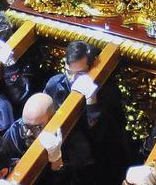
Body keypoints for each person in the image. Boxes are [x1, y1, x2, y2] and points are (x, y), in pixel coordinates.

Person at [43, 42, 132, 182]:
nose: (72, 79)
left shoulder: (108, 92)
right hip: (65, 156)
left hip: (95, 160)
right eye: (69, 72)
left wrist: (92, 103)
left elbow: (107, 136)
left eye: (80, 74)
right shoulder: (54, 84)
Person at [1, 93, 96, 184]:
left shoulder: (72, 139)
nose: (28, 133)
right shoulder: (15, 132)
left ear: (52, 121)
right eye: (26, 126)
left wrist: (57, 161)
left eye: (37, 127)